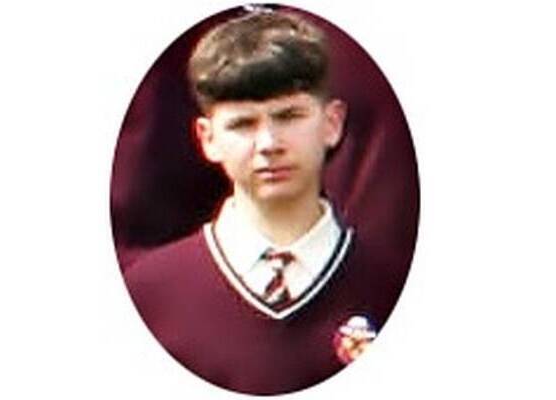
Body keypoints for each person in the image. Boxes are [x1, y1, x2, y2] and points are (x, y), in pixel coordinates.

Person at [123, 8, 398, 395]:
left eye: (289, 116)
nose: (269, 144)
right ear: (207, 139)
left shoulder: (393, 285)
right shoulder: (147, 294)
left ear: (332, 123)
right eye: (242, 124)